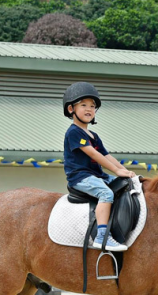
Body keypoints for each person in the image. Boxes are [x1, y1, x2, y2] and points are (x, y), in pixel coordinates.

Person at [63, 82, 136, 251]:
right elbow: (93, 154)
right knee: (106, 193)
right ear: (70, 109)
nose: (89, 109)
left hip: (97, 176)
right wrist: (117, 170)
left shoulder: (93, 135)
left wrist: (123, 170)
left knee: (126, 185)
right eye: (83, 105)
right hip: (81, 177)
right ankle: (102, 236)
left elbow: (106, 155)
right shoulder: (74, 132)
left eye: (92, 106)